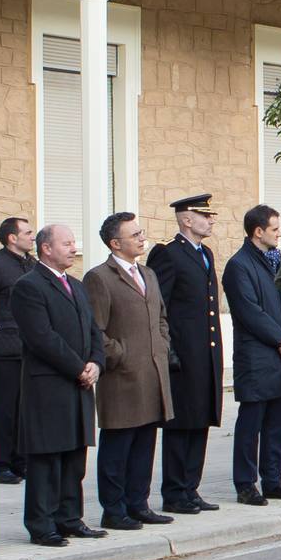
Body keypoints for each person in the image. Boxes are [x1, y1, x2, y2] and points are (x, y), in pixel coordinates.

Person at [13, 225, 105, 546]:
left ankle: (70, 517)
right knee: (47, 458)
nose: (73, 248)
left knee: (73, 458)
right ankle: (42, 524)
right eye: (66, 243)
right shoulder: (29, 287)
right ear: (46, 248)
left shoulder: (77, 286)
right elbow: (42, 338)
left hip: (79, 384)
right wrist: (78, 367)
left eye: (73, 242)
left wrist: (96, 362)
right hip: (50, 386)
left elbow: (93, 330)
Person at [86, 211, 175, 531]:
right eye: (134, 234)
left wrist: (162, 345)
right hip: (122, 377)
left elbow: (161, 317)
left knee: (144, 443)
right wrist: (119, 355)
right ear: (115, 243)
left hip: (152, 372)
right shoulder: (100, 277)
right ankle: (114, 508)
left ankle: (139, 503)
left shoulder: (148, 273)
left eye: (141, 232)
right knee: (118, 445)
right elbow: (96, 329)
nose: (141, 238)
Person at [225, 204, 281, 505]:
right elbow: (248, 311)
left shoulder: (279, 261)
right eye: (274, 229)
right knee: (251, 425)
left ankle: (274, 479)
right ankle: (246, 484)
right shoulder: (239, 265)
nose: (279, 233)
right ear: (258, 232)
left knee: (277, 425)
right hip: (258, 357)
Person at [149, 194, 225, 514]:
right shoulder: (167, 253)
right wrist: (169, 351)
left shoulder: (205, 253)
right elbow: (159, 306)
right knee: (181, 425)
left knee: (200, 421)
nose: (211, 221)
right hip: (182, 354)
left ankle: (190, 487)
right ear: (186, 220)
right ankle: (174, 491)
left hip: (205, 354)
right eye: (204, 216)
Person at [0, 216, 36, 484]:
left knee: (26, 408)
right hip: (3, 348)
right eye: (27, 232)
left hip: (29, 347)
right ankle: (1, 464)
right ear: (12, 237)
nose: (32, 236)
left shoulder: (32, 265)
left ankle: (21, 460)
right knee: (4, 408)